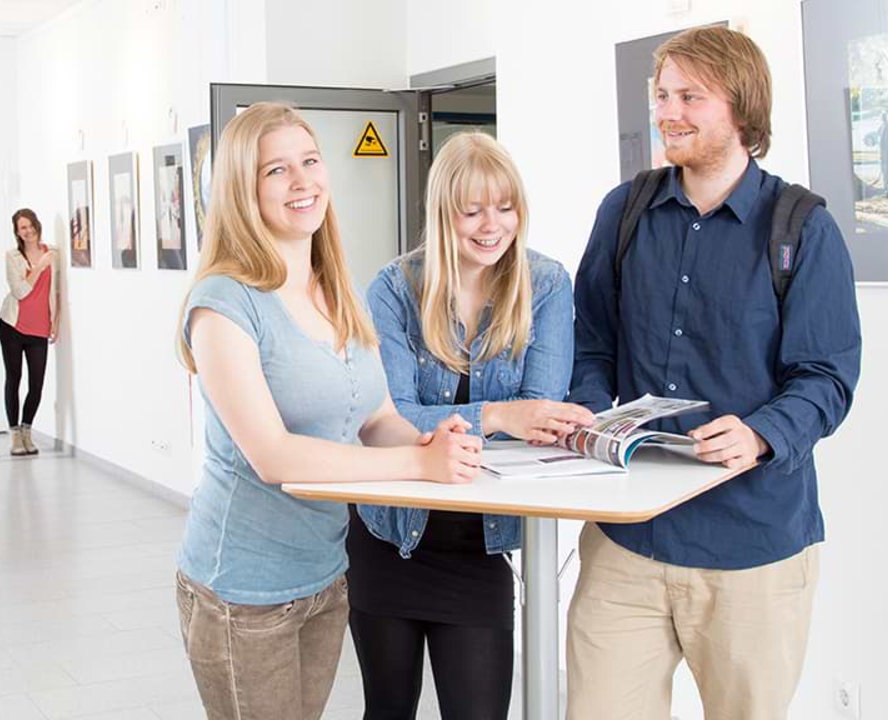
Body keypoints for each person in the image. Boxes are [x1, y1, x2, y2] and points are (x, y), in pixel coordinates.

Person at [566, 26, 861, 719]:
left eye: (689, 96)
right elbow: (592, 342)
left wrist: (761, 433)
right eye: (662, 94)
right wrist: (584, 412)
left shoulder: (803, 230)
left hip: (752, 548)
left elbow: (827, 377)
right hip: (626, 540)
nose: (668, 111)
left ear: (742, 108)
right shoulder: (625, 210)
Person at [174, 101, 482, 720]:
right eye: (276, 170)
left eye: (310, 161)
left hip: (324, 574)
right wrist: (417, 470)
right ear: (242, 189)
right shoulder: (223, 305)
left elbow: (377, 418)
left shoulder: (336, 288)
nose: (302, 181)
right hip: (243, 589)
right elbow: (273, 456)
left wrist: (424, 443)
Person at [348, 132, 593, 720]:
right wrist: (499, 415)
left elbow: (542, 413)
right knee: (386, 711)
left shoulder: (547, 284)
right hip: (390, 538)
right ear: (442, 213)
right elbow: (387, 417)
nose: (493, 225)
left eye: (506, 207)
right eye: (473, 209)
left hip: (480, 549)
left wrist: (515, 417)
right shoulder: (394, 288)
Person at [0, 208, 59, 456]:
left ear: (37, 224)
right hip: (13, 325)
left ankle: (27, 430)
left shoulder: (51, 253)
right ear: (17, 232)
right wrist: (38, 268)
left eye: (30, 224)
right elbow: (20, 291)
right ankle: (14, 435)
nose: (28, 230)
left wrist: (56, 321)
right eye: (22, 227)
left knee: (37, 385)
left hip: (39, 328)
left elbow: (55, 291)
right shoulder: (12, 256)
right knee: (14, 380)